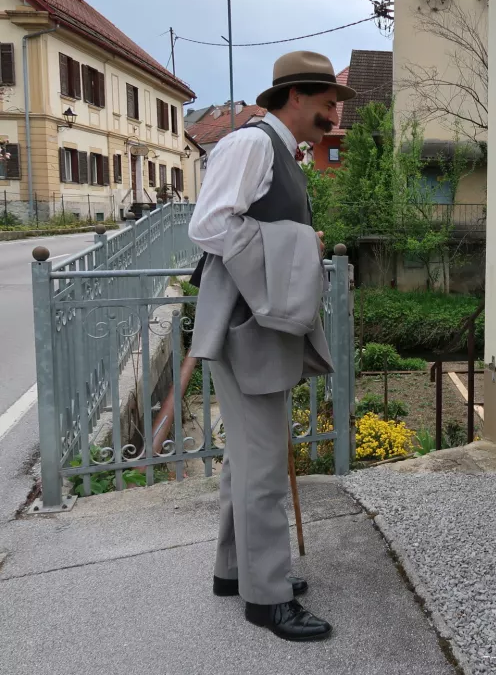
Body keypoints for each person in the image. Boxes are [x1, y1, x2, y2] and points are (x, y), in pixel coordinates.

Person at [187, 51, 356, 642]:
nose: (334, 115)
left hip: (253, 324)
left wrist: (293, 240)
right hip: (245, 326)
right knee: (261, 469)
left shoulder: (279, 151)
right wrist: (299, 241)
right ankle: (267, 599)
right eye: (328, 104)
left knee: (247, 460)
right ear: (295, 97)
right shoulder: (252, 145)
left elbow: (241, 228)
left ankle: (235, 572)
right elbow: (208, 226)